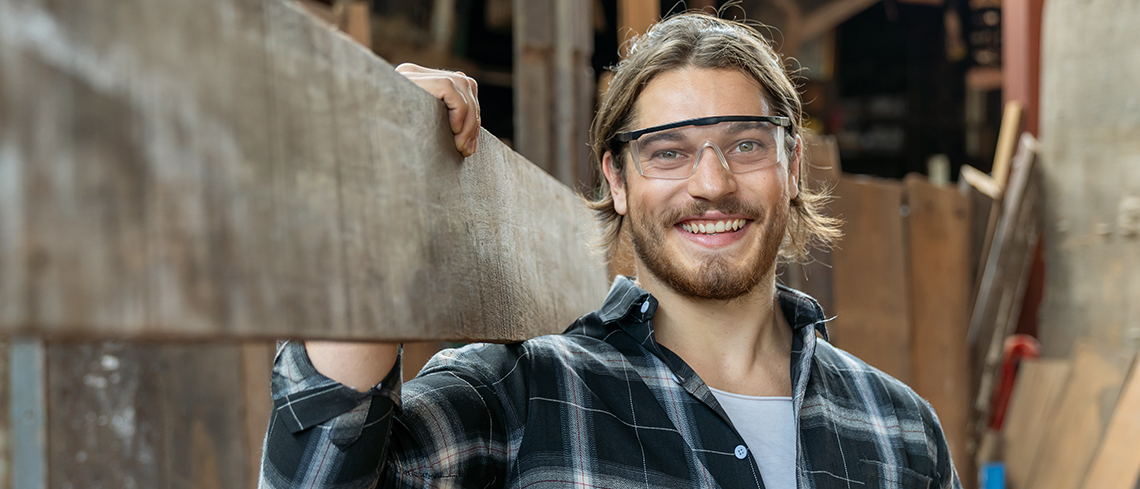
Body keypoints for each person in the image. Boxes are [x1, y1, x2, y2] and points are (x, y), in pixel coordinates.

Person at [260, 13, 961, 489]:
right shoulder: (521, 397)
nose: (711, 183)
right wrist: (380, 188)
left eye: (746, 144)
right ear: (617, 181)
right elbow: (318, 472)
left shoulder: (900, 431)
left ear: (793, 164)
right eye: (668, 152)